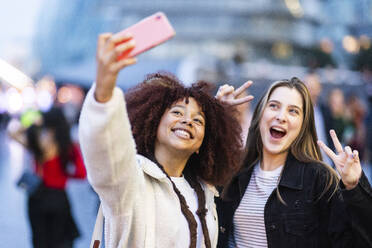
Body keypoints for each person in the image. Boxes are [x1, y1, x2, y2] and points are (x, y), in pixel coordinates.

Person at [78, 33, 253, 247]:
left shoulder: (203, 188)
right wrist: (103, 95)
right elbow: (106, 151)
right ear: (153, 123)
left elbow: (220, 152)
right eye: (177, 112)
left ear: (202, 143)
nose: (187, 121)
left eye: (198, 120)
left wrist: (219, 115)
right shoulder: (130, 182)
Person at [217, 78, 372, 248]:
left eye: (293, 111)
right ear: (261, 114)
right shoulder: (235, 171)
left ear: (302, 126)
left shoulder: (320, 179)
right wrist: (217, 117)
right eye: (274, 106)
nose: (281, 117)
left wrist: (354, 187)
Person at [8, 107, 87, 248]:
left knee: (39, 239)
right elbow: (82, 174)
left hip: (37, 196)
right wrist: (66, 175)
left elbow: (13, 133)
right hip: (59, 198)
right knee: (58, 240)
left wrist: (35, 122)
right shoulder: (70, 145)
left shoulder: (39, 143)